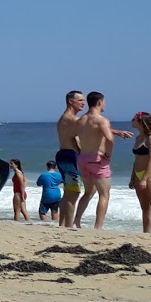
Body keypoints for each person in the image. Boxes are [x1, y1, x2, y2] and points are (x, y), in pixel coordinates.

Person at [74, 91, 135, 230]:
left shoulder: (80, 120)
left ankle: (76, 222)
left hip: (83, 158)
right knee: (104, 194)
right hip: (97, 159)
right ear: (100, 102)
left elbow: (86, 132)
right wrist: (108, 154)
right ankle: (98, 227)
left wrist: (116, 131)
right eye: (104, 102)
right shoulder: (102, 120)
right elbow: (109, 138)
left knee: (88, 192)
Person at [55, 90, 87, 228]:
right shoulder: (70, 118)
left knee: (69, 192)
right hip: (69, 156)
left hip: (66, 155)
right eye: (80, 100)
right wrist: (115, 132)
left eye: (84, 100)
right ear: (70, 101)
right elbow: (92, 127)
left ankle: (62, 225)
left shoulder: (70, 118)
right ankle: (68, 226)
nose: (83, 103)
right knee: (73, 192)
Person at [129, 111, 151, 234]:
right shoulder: (138, 138)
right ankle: (146, 234)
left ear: (141, 122)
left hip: (150, 174)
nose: (131, 120)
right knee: (145, 207)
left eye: (134, 119)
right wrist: (133, 177)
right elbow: (136, 159)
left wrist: (144, 178)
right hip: (138, 174)